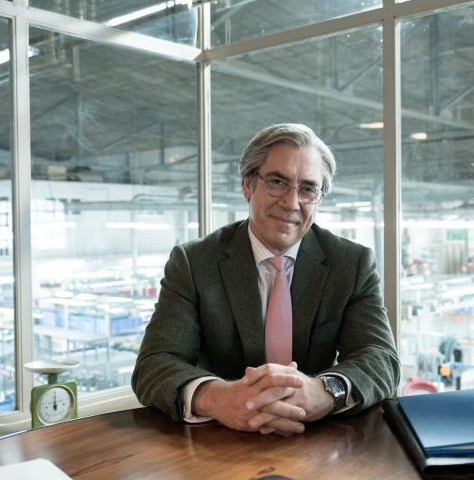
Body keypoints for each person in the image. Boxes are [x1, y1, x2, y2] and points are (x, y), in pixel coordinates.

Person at [132, 123, 400, 437]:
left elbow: (381, 358)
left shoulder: (351, 264)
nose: (291, 202)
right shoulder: (194, 263)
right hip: (220, 441)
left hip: (318, 439)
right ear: (248, 185)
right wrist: (216, 397)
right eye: (277, 182)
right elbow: (154, 364)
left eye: (308, 189)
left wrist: (326, 391)